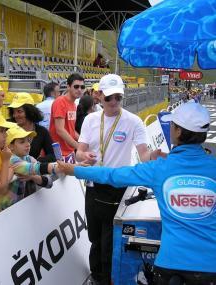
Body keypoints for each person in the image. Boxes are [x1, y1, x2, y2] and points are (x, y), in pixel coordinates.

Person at [58, 102, 216, 285]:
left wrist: (75, 170)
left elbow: (112, 175)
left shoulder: (159, 168)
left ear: (178, 132)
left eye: (172, 125)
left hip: (170, 266)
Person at [76, 74, 160, 285]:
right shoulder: (90, 120)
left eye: (118, 98)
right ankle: (96, 277)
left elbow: (143, 155)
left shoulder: (133, 121)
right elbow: (79, 152)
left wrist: (154, 158)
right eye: (109, 98)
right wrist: (84, 157)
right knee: (94, 239)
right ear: (99, 95)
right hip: (93, 186)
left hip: (118, 188)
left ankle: (107, 280)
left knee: (109, 242)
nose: (114, 102)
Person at [0, 125, 54, 213]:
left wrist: (33, 177)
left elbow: (49, 182)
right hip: (4, 211)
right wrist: (54, 168)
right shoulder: (11, 159)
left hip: (19, 209)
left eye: (28, 140)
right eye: (22, 142)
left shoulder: (28, 158)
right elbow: (32, 168)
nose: (28, 144)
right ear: (10, 146)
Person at [8, 92, 55, 163]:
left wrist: (35, 162)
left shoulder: (41, 131)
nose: (15, 115)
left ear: (30, 111)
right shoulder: (8, 128)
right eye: (13, 112)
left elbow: (52, 155)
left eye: (19, 111)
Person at [49, 73, 84, 162]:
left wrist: (83, 140)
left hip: (69, 151)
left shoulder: (73, 105)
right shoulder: (60, 102)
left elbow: (71, 129)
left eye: (82, 87)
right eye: (76, 86)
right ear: (68, 87)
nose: (79, 89)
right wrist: (78, 146)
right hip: (59, 153)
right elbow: (60, 130)